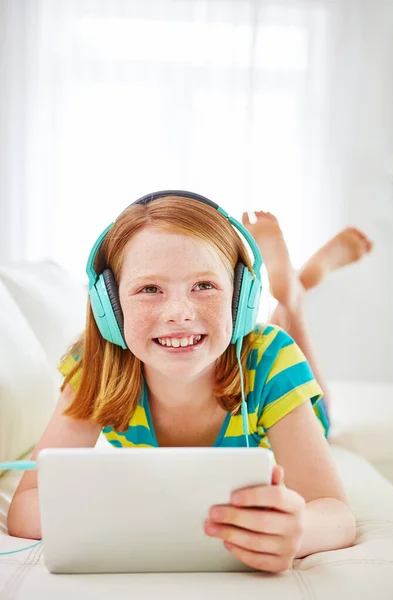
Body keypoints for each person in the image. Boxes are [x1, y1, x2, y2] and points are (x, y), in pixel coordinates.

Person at [7, 191, 372, 573]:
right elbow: (26, 507)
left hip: (272, 381)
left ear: (240, 300)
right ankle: (292, 292)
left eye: (204, 286)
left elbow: (335, 514)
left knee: (319, 403)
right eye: (150, 289)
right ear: (110, 307)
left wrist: (301, 532)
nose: (179, 314)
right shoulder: (95, 370)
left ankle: (293, 299)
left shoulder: (270, 361)